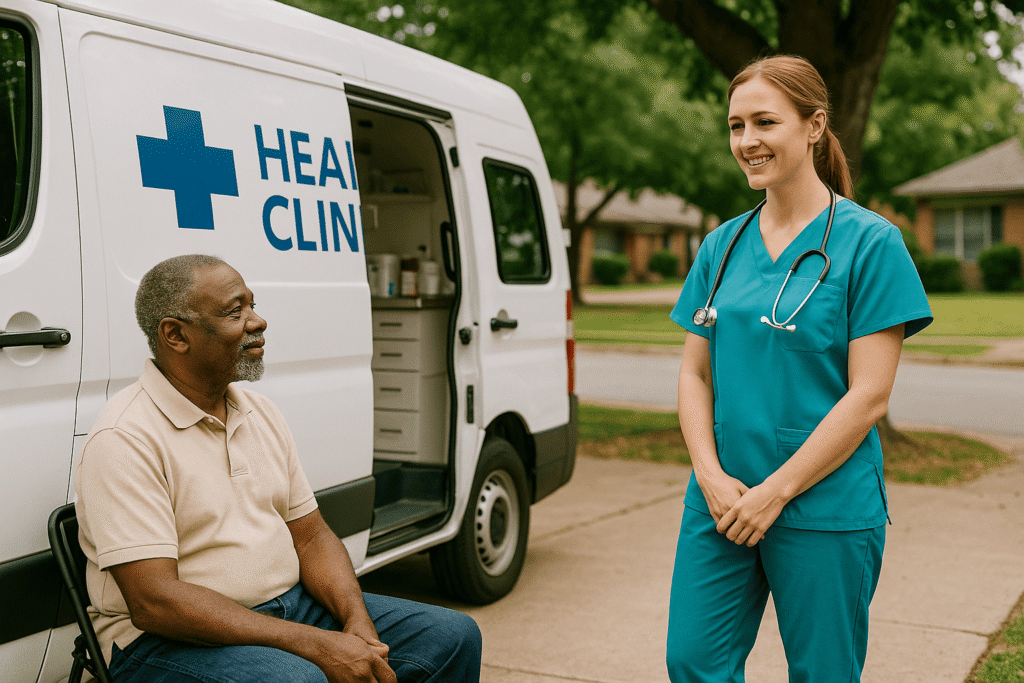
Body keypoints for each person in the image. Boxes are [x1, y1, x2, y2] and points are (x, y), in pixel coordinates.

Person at [75, 254, 482, 683]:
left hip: (289, 609)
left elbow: (311, 537)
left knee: (453, 636)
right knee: (297, 679)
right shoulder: (125, 438)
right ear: (176, 335)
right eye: (236, 312)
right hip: (164, 641)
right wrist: (313, 644)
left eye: (253, 305)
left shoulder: (259, 412)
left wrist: (356, 620)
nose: (258, 321)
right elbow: (155, 602)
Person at [665, 55, 932, 682]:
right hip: (723, 498)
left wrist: (776, 492)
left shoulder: (872, 244)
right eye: (735, 126)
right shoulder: (721, 245)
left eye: (765, 122)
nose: (747, 142)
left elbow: (869, 397)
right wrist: (709, 474)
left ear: (814, 126)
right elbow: (694, 376)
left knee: (824, 673)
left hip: (823, 502)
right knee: (693, 662)